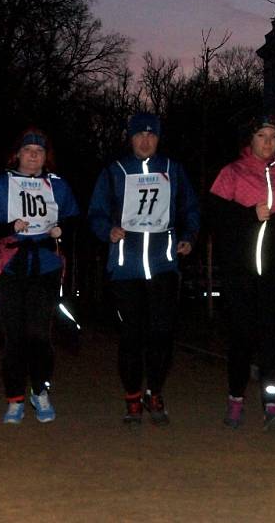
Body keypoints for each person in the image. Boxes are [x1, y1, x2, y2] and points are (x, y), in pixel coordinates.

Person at [88, 112, 199, 426]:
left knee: (162, 335)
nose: (146, 140)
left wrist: (189, 237)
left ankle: (156, 391)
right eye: (140, 135)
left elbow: (190, 208)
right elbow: (95, 212)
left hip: (164, 265)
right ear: (131, 138)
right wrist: (106, 230)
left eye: (152, 135)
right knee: (132, 336)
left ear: (158, 138)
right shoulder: (114, 172)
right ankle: (133, 397)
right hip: (126, 268)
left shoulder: (172, 170)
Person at [0, 127, 80, 424]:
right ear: (17, 154)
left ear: (47, 157)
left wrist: (63, 230)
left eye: (40, 151)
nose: (34, 156)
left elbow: (74, 219)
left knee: (38, 334)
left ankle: (40, 390)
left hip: (45, 267)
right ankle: (14, 399)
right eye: (28, 150)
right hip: (10, 267)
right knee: (14, 336)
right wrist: (8, 228)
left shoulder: (58, 186)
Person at [209, 115, 275, 432]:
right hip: (241, 272)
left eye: (273, 137)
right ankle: (236, 398)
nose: (267, 143)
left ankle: (272, 403)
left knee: (272, 339)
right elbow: (216, 220)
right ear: (250, 140)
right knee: (242, 338)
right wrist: (249, 215)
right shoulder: (231, 173)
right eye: (262, 136)